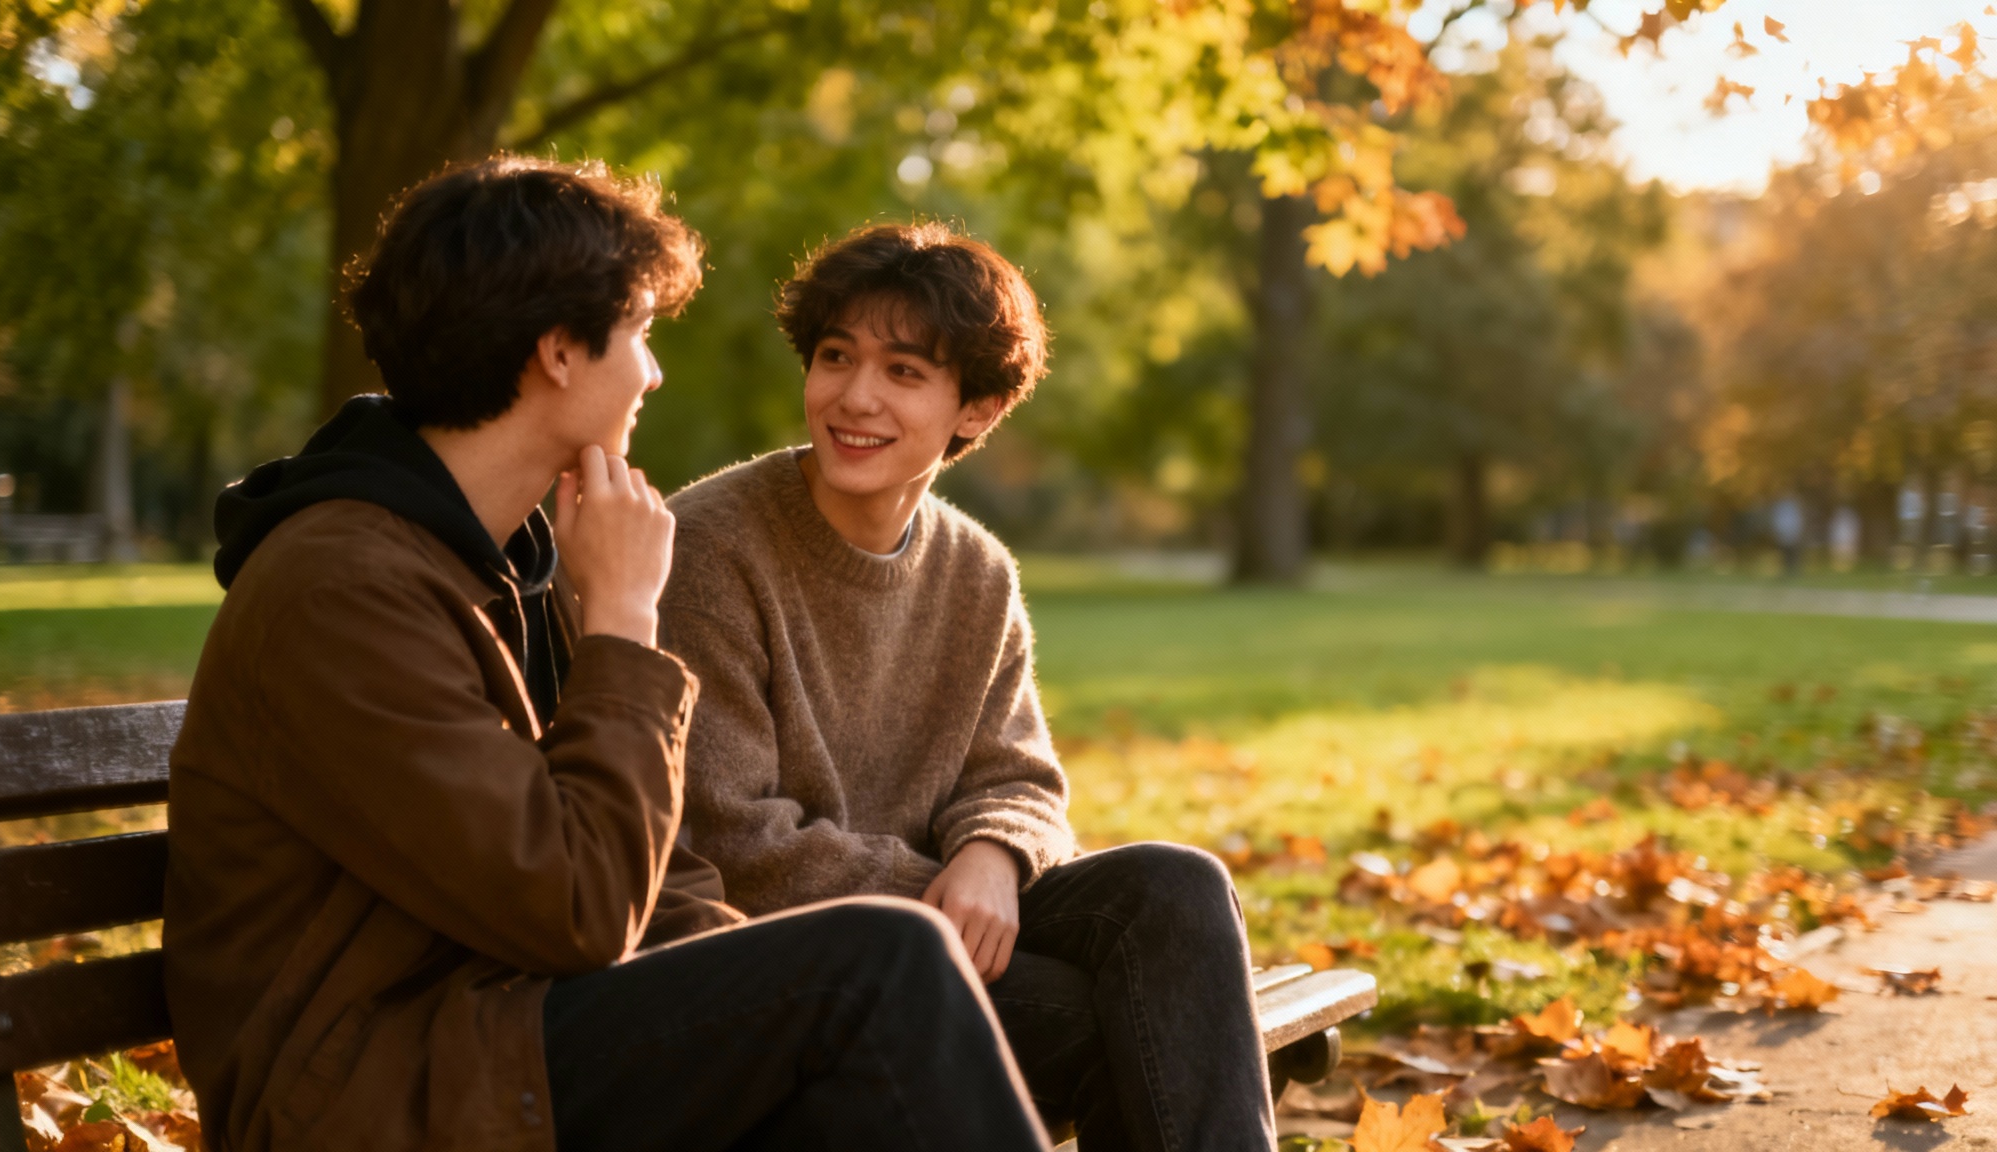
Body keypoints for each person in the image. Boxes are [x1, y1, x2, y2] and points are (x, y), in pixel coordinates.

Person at [162, 158, 1047, 1152]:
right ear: (558, 354)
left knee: (884, 995)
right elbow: (579, 909)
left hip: (499, 1032)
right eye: (637, 333)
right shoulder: (343, 591)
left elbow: (642, 876)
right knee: (885, 961)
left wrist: (750, 983)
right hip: (379, 1094)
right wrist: (624, 614)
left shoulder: (496, 560)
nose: (653, 372)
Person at [659, 221, 1275, 1151]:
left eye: (904, 372)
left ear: (977, 408)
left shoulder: (977, 570)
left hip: (945, 923)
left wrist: (994, 854)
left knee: (1175, 888)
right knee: (1117, 1023)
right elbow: (730, 840)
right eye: (836, 357)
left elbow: (1017, 776)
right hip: (796, 955)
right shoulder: (710, 546)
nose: (854, 397)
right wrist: (944, 894)